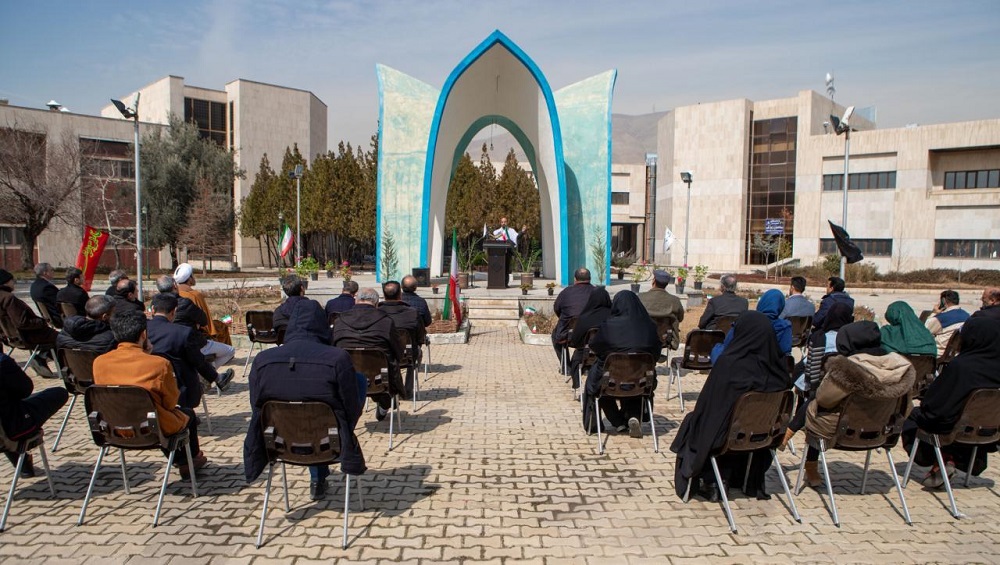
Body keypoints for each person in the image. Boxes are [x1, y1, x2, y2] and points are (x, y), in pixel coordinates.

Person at [244, 297, 366, 499]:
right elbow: (349, 406)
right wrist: (345, 426)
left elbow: (256, 406)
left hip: (278, 443)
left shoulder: (262, 360)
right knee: (356, 382)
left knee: (312, 412)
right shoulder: (337, 358)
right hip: (330, 440)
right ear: (322, 324)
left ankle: (317, 477)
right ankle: (323, 465)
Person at [670, 311, 791, 501]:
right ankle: (745, 479)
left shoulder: (729, 365)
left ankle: (714, 481)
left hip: (728, 437)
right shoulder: (779, 368)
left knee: (696, 421)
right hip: (764, 438)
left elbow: (709, 407)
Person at [799, 321, 915, 487]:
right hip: (882, 432)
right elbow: (907, 407)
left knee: (816, 407)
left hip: (842, 432)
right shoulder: (901, 368)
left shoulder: (845, 370)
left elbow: (824, 399)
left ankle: (810, 464)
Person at [93, 309, 207, 477]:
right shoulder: (159, 364)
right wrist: (148, 355)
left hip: (112, 428)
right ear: (143, 334)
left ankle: (184, 460)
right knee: (187, 414)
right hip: (150, 430)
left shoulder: (99, 362)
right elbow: (170, 403)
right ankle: (188, 461)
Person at [902, 317, 1000, 487]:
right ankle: (949, 460)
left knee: (916, 416)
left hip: (954, 428)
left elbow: (935, 406)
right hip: (987, 431)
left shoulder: (962, 366)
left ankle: (942, 459)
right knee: (959, 417)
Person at [583, 292, 662, 438]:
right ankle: (634, 416)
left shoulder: (609, 326)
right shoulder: (650, 326)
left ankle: (614, 422)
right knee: (634, 382)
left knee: (596, 385)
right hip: (643, 381)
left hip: (611, 380)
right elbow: (656, 354)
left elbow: (595, 347)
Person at [780, 302, 854, 451]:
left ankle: (788, 432)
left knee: (814, 398)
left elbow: (808, 367)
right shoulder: (852, 340)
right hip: (847, 392)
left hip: (819, 389)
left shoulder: (821, 337)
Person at [146, 293, 234, 413]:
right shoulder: (184, 333)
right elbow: (198, 361)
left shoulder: (143, 330)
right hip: (181, 391)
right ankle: (218, 380)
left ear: (152, 310)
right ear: (174, 312)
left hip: (149, 388)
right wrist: (215, 377)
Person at [332, 288, 404, 421]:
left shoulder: (339, 321)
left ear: (356, 300)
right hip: (380, 380)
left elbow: (333, 348)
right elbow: (399, 352)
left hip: (346, 378)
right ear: (376, 303)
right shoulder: (386, 321)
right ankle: (384, 403)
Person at [0, 352, 69, 477]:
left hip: (6, 427)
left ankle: (24, 466)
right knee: (59, 393)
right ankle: (23, 463)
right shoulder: (2, 362)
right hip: (12, 430)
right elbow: (25, 390)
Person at [173, 263, 236, 369]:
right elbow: (205, 321)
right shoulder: (194, 295)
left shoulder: (171, 294)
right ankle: (210, 367)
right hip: (196, 336)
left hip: (176, 335)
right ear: (189, 279)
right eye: (193, 275)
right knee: (221, 326)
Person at [0, 269, 59, 378]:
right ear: (5, 282)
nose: (14, 283)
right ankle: (45, 359)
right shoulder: (9, 298)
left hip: (10, 337)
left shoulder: (4, 297)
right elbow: (22, 322)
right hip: (26, 336)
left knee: (56, 337)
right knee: (61, 338)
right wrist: (41, 322)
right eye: (12, 280)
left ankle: (42, 357)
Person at [710, 288, 792, 364]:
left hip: (740, 364)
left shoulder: (745, 320)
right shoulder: (784, 326)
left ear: (762, 303)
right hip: (768, 366)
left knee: (718, 348)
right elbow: (785, 352)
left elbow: (728, 344)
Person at [379, 280, 425, 397]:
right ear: (400, 295)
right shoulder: (412, 313)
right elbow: (421, 337)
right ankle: (407, 390)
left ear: (384, 295)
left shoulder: (376, 313)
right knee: (415, 352)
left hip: (383, 356)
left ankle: (388, 390)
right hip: (407, 355)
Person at [567, 287, 612, 388]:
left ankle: (577, 384)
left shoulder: (584, 318)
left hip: (586, 356)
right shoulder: (614, 316)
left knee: (576, 358)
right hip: (611, 356)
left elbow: (575, 341)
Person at [552, 268, 594, 371]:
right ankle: (588, 366)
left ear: (575, 279)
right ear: (590, 278)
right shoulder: (598, 292)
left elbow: (557, 309)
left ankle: (566, 367)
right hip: (592, 335)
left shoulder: (566, 292)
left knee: (555, 336)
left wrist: (566, 319)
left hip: (569, 336)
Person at [638, 269, 684, 350]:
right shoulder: (675, 300)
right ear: (666, 284)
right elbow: (680, 318)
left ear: (653, 281)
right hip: (664, 339)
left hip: (642, 337)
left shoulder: (640, 297)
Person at [155, 275, 208, 339]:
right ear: (175, 285)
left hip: (164, 339)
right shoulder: (185, 303)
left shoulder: (155, 303)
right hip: (188, 340)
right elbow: (204, 321)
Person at [924, 290, 970, 357]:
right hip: (956, 353)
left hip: (939, 353)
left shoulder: (941, 318)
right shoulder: (967, 316)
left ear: (943, 301)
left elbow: (924, 330)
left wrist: (934, 313)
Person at [30, 262, 62, 328]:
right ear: (45, 273)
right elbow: (59, 302)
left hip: (47, 316)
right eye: (51, 270)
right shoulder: (47, 287)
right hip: (57, 318)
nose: (53, 272)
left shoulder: (34, 285)